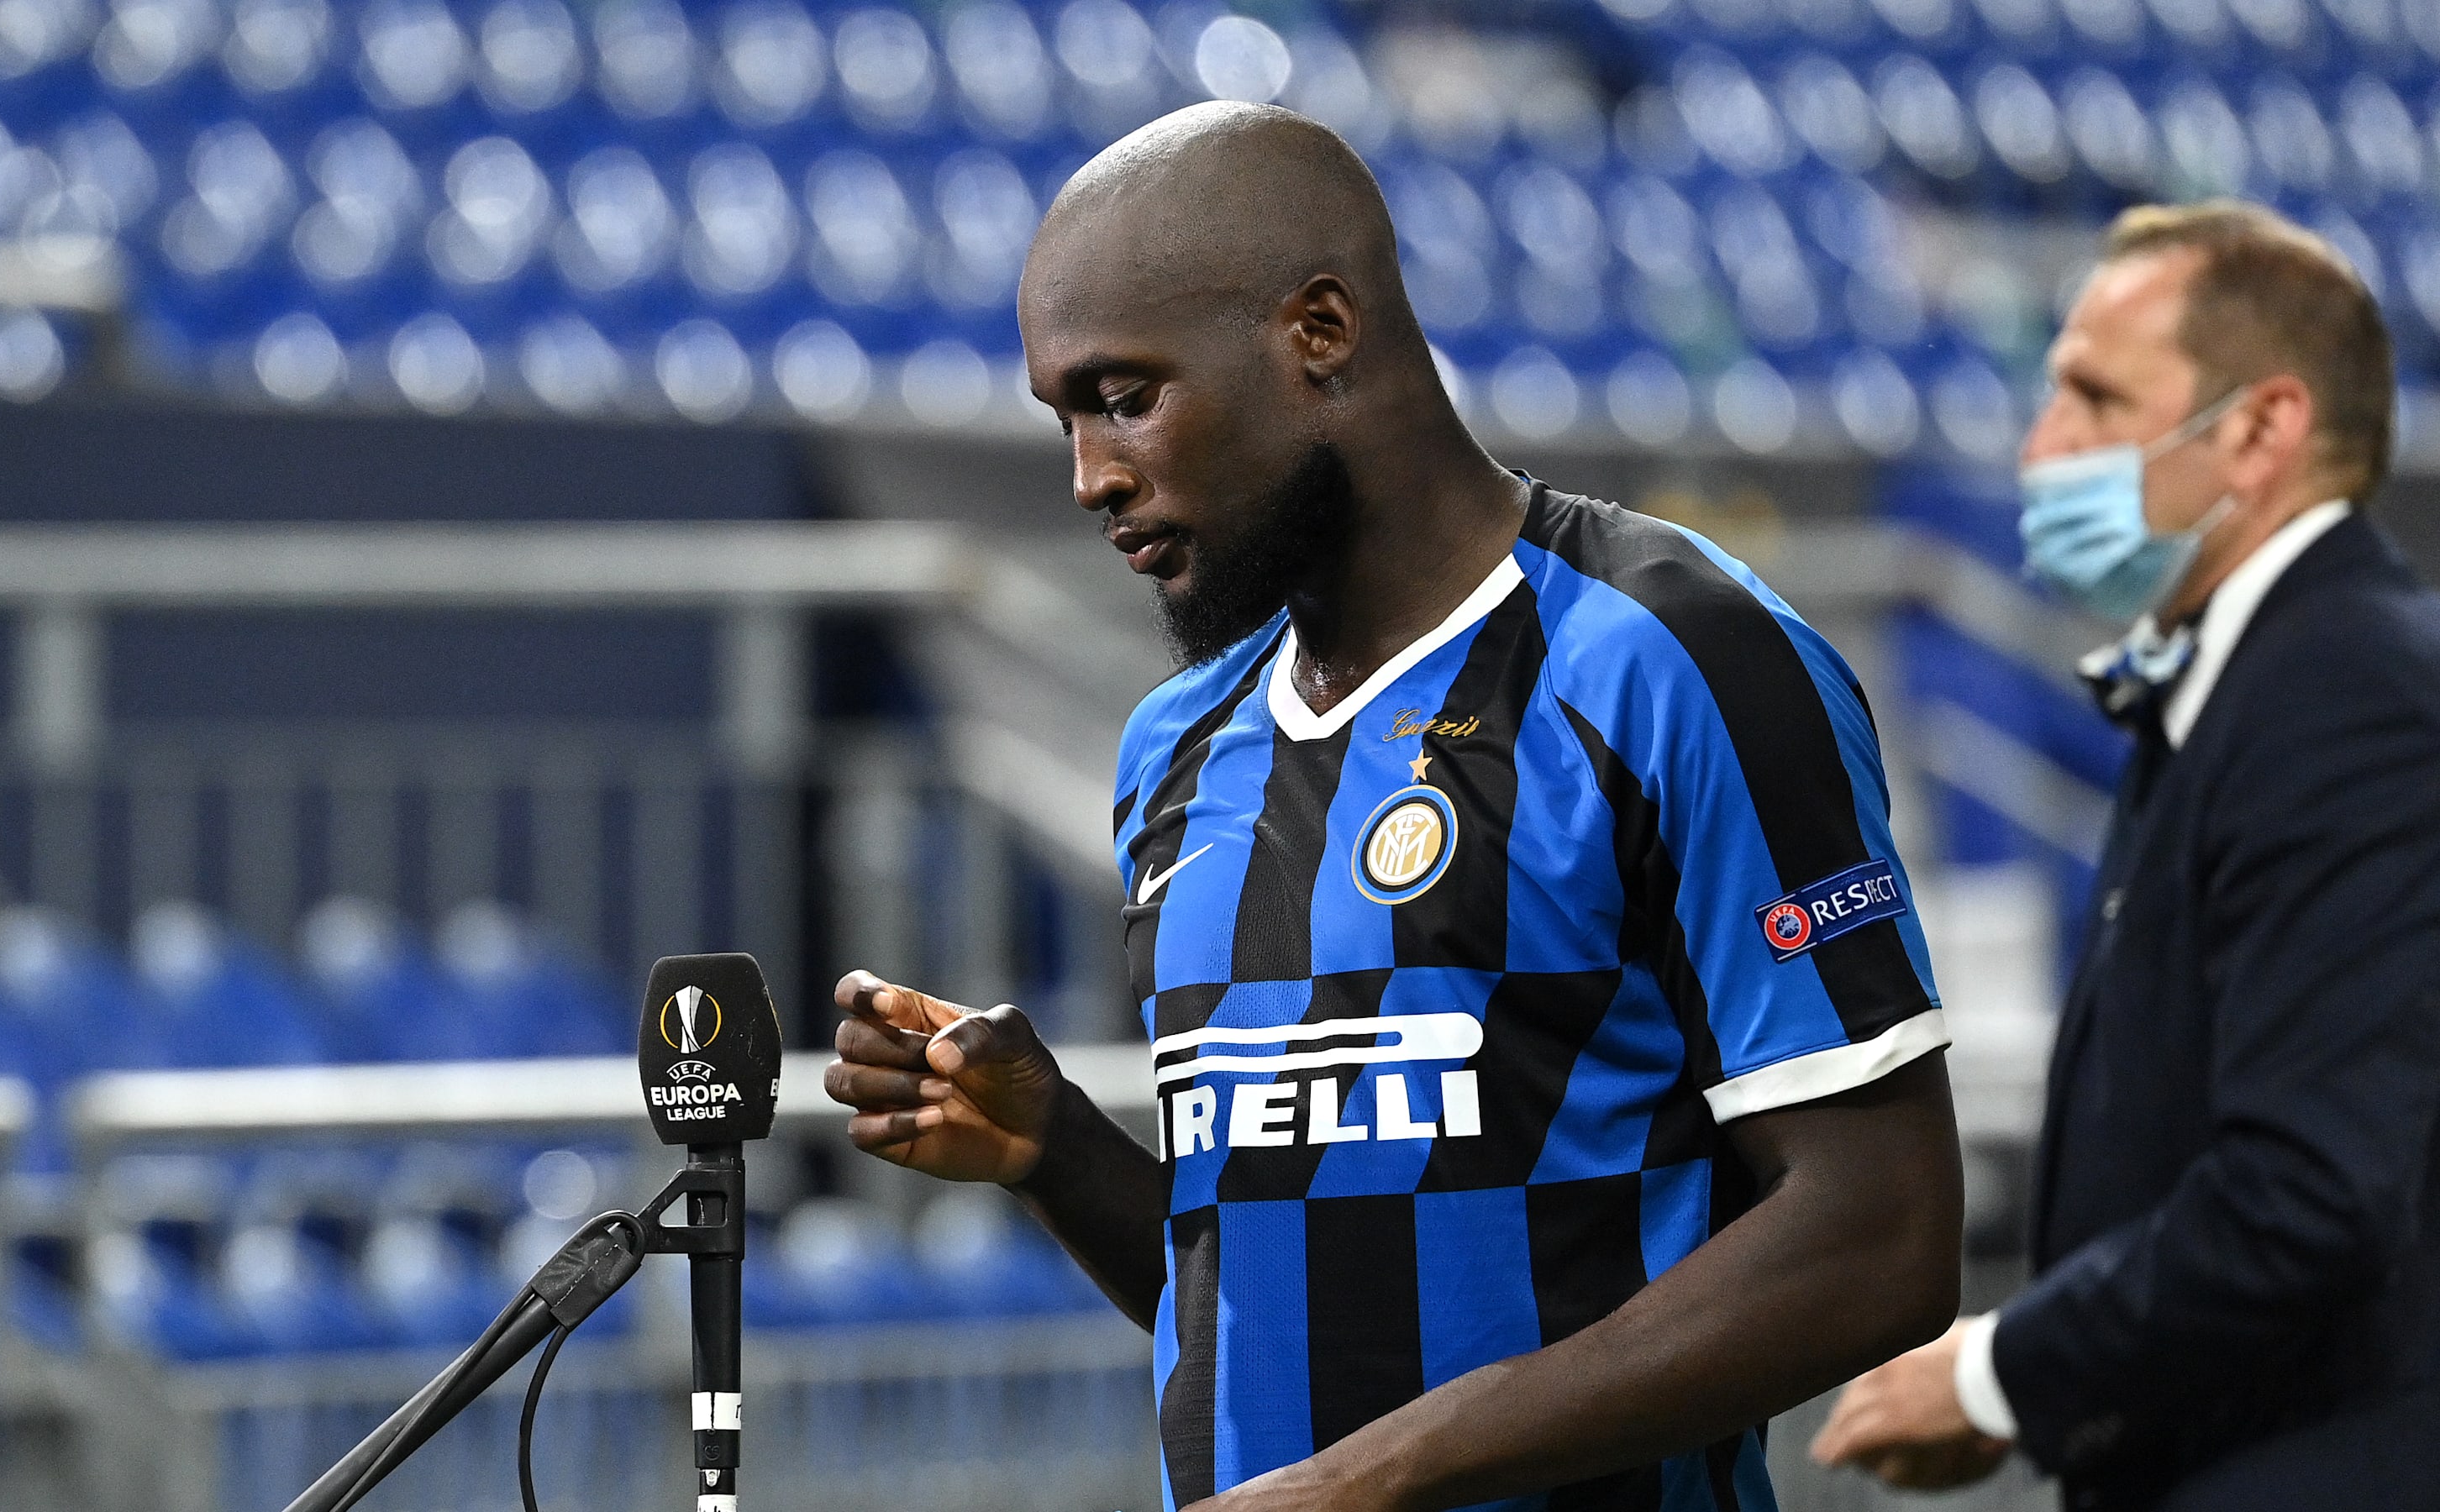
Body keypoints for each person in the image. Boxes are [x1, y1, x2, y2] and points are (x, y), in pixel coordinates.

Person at [824, 103, 1964, 1511]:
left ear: (1318, 332)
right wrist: (1056, 1152)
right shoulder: (1176, 746)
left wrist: (1382, 1480)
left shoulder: (1671, 659)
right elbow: (1261, 1311)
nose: (1090, 477)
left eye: (1124, 397)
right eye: (1066, 420)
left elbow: (1882, 1236)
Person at [1811, 202, 2440, 1509]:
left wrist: (2001, 1375)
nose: (2043, 448)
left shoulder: (2348, 695)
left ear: (2261, 431)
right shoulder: (2249, 678)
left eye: (2096, 397)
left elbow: (2309, 1191)